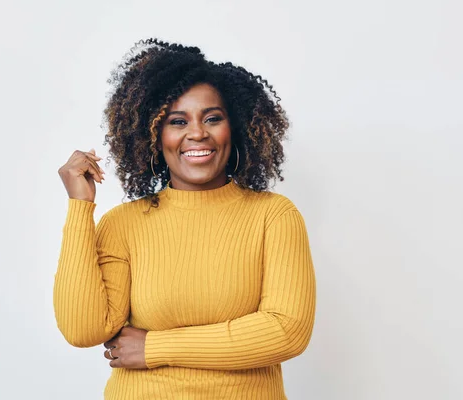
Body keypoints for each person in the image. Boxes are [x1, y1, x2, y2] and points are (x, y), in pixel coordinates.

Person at [54, 38, 316, 400]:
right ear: (154, 136)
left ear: (234, 127)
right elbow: (83, 329)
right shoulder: (124, 223)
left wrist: (155, 347)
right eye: (178, 121)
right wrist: (80, 208)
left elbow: (286, 331)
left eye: (212, 118)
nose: (197, 133)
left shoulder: (274, 216)